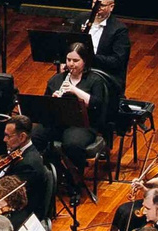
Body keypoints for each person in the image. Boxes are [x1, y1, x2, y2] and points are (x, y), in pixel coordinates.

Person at [43, 44, 116, 194]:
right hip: (59, 122)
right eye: (68, 60)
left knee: (72, 143)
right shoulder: (56, 80)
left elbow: (97, 105)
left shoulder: (95, 81)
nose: (71, 64)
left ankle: (74, 182)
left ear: (85, 61)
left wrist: (74, 90)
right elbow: (45, 105)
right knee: (36, 135)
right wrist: (54, 100)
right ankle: (55, 175)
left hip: (84, 125)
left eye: (76, 60)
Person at [76, 0, 131, 90]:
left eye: (101, 5)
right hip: (77, 70)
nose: (97, 8)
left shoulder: (119, 29)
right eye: (94, 4)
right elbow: (70, 42)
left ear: (111, 7)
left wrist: (90, 57)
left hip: (103, 75)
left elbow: (117, 61)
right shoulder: (81, 19)